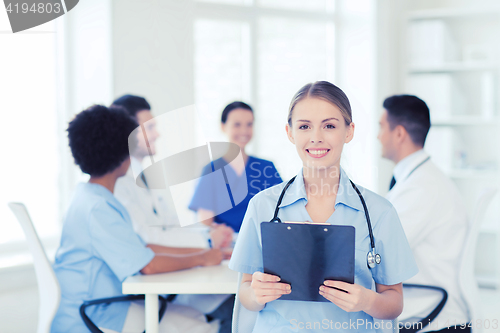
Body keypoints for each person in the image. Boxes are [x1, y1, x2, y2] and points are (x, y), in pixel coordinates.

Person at [228, 81, 418, 332]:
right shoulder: (262, 206)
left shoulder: (379, 212)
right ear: (290, 132)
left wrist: (367, 300)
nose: (316, 137)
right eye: (304, 126)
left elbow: (394, 301)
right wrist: (256, 294)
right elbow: (245, 292)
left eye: (329, 126)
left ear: (348, 131)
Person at [51, 105, 223, 333]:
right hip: (96, 313)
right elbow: (148, 266)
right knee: (202, 326)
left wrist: (206, 254)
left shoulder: (90, 197)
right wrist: (202, 258)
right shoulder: (98, 208)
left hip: (99, 305)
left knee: (195, 316)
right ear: (124, 155)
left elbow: (143, 249)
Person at [112, 94, 234, 333]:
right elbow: (148, 238)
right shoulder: (120, 183)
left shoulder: (143, 176)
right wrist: (207, 241)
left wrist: (209, 232)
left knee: (233, 299)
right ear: (128, 131)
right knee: (230, 307)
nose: (157, 133)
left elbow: (169, 227)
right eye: (150, 127)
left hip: (166, 283)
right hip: (147, 290)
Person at [378, 94, 469, 332]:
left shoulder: (422, 188)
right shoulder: (420, 180)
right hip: (428, 311)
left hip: (436, 320)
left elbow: (384, 253)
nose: (378, 136)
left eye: (381, 128)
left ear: (398, 134)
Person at [189, 101, 283, 233]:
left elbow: (282, 210)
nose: (244, 131)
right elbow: (205, 224)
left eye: (249, 124)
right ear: (223, 126)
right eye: (237, 125)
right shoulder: (211, 171)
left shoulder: (266, 168)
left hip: (261, 244)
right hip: (226, 248)